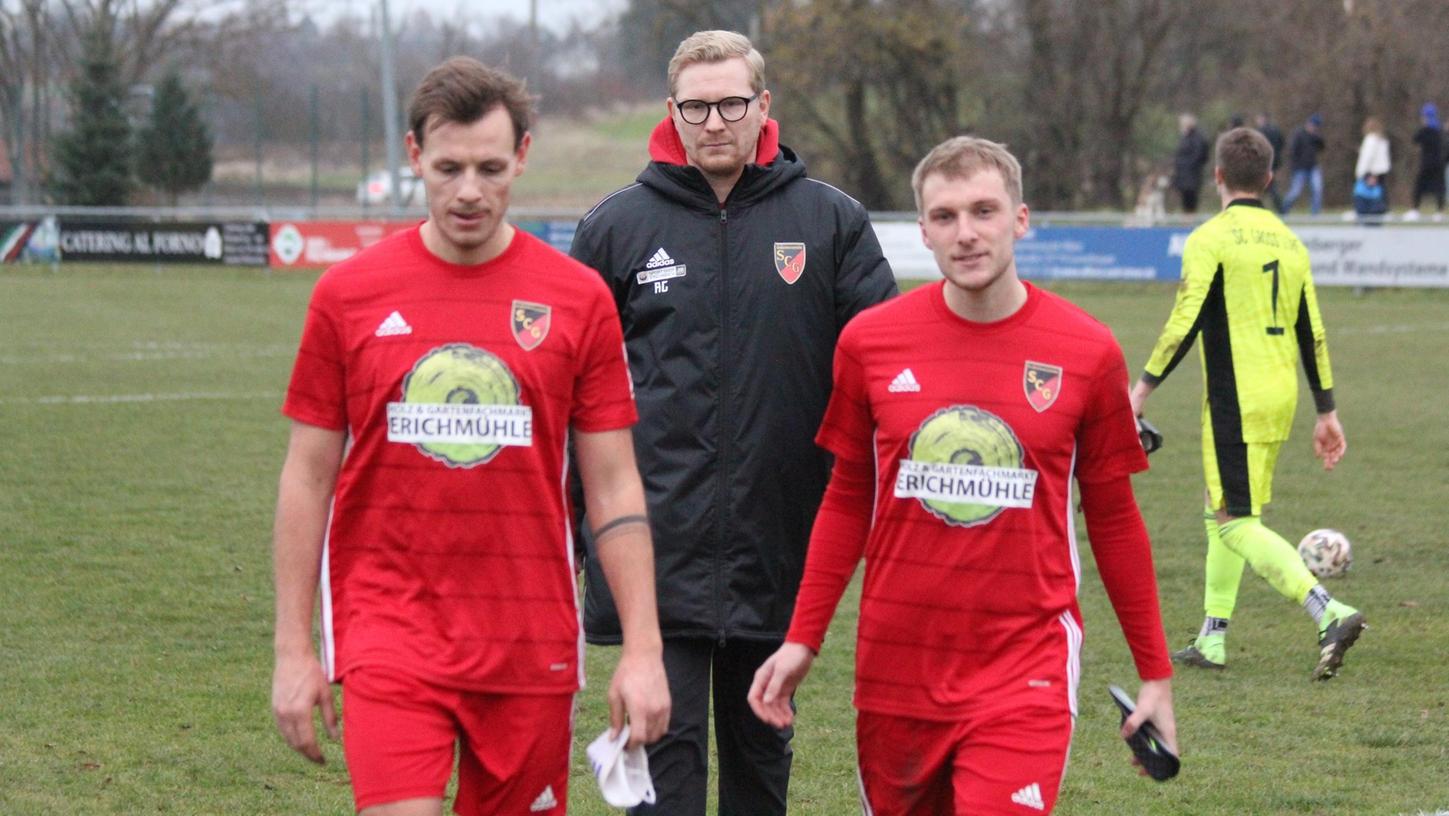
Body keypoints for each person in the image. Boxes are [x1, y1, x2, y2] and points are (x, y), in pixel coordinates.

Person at [270, 57, 670, 816]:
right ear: (414, 155)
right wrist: (295, 649)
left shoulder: (576, 299)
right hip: (389, 631)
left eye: (490, 167)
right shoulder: (347, 296)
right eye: (448, 167)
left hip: (529, 640)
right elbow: (306, 476)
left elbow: (614, 485)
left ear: (521, 156)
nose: (467, 191)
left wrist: (644, 650)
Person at [748, 136, 1177, 815]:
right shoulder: (869, 344)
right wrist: (803, 638)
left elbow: (1116, 519)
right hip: (895, 668)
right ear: (921, 230)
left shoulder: (1087, 351)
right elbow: (847, 496)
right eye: (945, 217)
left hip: (1023, 667)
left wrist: (1154, 674)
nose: (966, 233)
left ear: (1020, 218)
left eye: (983, 210)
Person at [569, 29, 897, 816]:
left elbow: (887, 364)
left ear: (763, 107)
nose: (713, 122)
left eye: (730, 104)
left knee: (761, 764)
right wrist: (573, 527)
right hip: (652, 549)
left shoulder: (830, 222)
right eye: (695, 107)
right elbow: (568, 398)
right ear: (671, 112)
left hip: (778, 543)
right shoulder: (614, 227)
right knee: (666, 774)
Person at [1129, 127, 1364, 682]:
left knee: (1235, 523)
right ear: (1270, 178)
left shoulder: (1212, 237)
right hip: (1280, 396)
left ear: (1216, 177)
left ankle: (1330, 611)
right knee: (1225, 511)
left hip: (1236, 397)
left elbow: (1184, 321)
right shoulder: (1291, 242)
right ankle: (1212, 638)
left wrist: (1139, 391)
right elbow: (1314, 332)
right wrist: (1325, 411)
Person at [1280, 113, 1325, 215]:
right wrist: (1294, 166)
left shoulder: (1315, 137)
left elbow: (1322, 146)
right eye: (1314, 125)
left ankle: (1315, 213)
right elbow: (1292, 151)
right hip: (1300, 168)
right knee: (1295, 192)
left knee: (1317, 189)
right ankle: (1284, 209)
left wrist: (1316, 137)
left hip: (1313, 167)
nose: (1314, 128)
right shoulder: (1299, 134)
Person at [1409, 102, 1445, 218]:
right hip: (1439, 162)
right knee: (1439, 187)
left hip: (1426, 162)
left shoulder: (1425, 130)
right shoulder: (1440, 130)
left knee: (1419, 186)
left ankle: (1415, 209)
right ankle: (1439, 211)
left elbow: (1415, 139)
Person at [1172, 113, 1211, 213]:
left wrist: (1185, 165)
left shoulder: (1197, 138)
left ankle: (1189, 223)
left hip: (1191, 176)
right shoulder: (1185, 137)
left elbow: (1199, 155)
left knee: (1190, 202)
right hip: (1184, 176)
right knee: (1185, 202)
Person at [1255, 112, 1287, 211]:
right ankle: (1278, 207)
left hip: (1263, 162)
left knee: (1267, 185)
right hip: (1274, 162)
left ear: (1262, 119)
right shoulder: (1276, 130)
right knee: (1268, 184)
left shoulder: (1260, 132)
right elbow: (1282, 143)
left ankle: (1279, 207)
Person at [1353, 116, 1391, 191]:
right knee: (1381, 191)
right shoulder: (1383, 140)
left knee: (1370, 194)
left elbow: (1367, 156)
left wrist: (1360, 172)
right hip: (1382, 170)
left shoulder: (1370, 139)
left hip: (1372, 171)